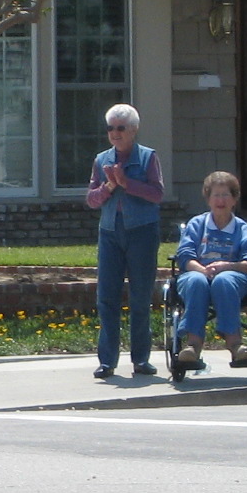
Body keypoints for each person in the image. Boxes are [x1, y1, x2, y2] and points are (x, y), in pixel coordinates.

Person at [86, 103, 164, 378]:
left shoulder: (148, 158)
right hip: (110, 232)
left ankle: (141, 359)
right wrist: (109, 185)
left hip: (142, 231)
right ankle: (107, 360)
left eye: (120, 128)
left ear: (133, 130)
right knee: (106, 297)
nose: (115, 133)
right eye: (110, 128)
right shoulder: (101, 159)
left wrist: (127, 183)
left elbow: (157, 194)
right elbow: (92, 200)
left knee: (140, 296)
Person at [172, 171, 247, 371]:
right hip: (198, 272)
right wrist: (202, 270)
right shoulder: (197, 225)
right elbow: (185, 256)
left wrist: (226, 266)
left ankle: (235, 344)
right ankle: (192, 346)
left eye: (225, 195)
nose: (220, 200)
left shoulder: (242, 229)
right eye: (216, 195)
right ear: (208, 199)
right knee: (196, 281)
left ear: (234, 199)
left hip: (234, 276)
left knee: (224, 280)